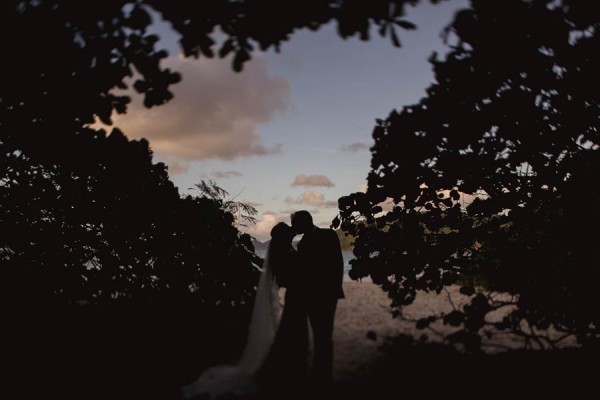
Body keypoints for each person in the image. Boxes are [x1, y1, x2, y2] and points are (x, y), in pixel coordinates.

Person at [181, 222, 307, 399]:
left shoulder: (282, 252)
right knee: (289, 333)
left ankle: (285, 370)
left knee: (286, 333)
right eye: (289, 234)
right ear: (284, 238)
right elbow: (285, 278)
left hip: (294, 298)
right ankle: (284, 373)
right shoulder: (284, 254)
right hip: (294, 298)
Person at [291, 210, 344, 386]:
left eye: (295, 224)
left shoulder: (328, 234)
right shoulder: (301, 243)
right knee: (317, 331)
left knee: (324, 332)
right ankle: (318, 371)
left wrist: (334, 288)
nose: (293, 227)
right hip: (309, 295)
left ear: (304, 222)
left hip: (327, 293)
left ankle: (324, 374)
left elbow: (337, 263)